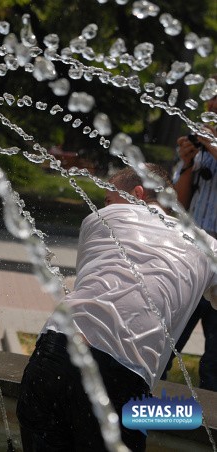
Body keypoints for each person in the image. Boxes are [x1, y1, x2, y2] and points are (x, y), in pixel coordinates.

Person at [16, 164, 217, 451]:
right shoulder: (205, 244)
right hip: (123, 379)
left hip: (55, 352)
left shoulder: (101, 219)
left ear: (137, 193)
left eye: (108, 198)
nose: (102, 205)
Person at [165, 88, 217, 391]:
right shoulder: (201, 145)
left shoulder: (209, 144)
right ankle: (145, 423)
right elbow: (178, 206)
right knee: (165, 344)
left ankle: (205, 434)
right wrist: (186, 164)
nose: (211, 104)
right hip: (192, 255)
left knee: (214, 366)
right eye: (211, 97)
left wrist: (211, 145)